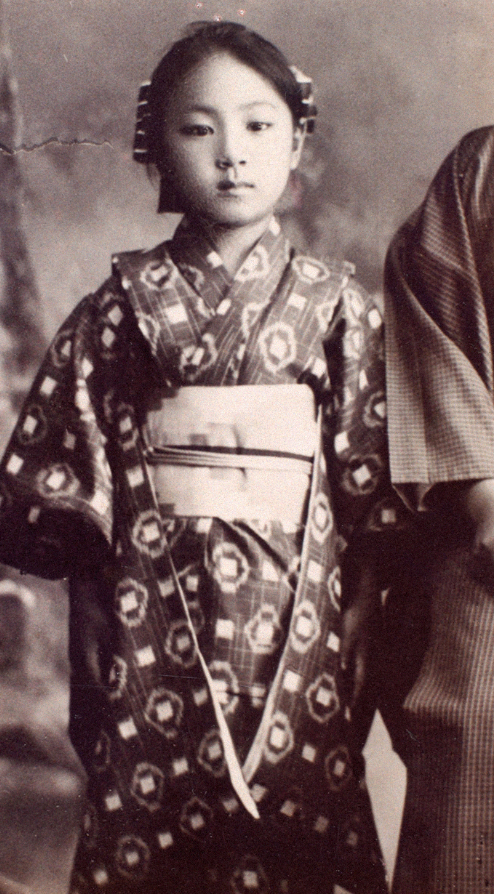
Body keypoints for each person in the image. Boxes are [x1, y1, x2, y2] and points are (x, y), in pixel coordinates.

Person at [0, 21, 403, 894]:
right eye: (197, 129)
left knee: (297, 807)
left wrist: (363, 607)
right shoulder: (120, 309)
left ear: (296, 143)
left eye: (257, 126)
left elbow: (372, 478)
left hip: (303, 615)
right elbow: (74, 481)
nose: (232, 156)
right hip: (150, 605)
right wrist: (87, 610)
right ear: (157, 148)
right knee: (152, 818)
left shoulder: (337, 309)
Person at [382, 125, 494, 894]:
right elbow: (436, 321)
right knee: (473, 746)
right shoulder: (483, 171)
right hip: (492, 528)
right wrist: (485, 492)